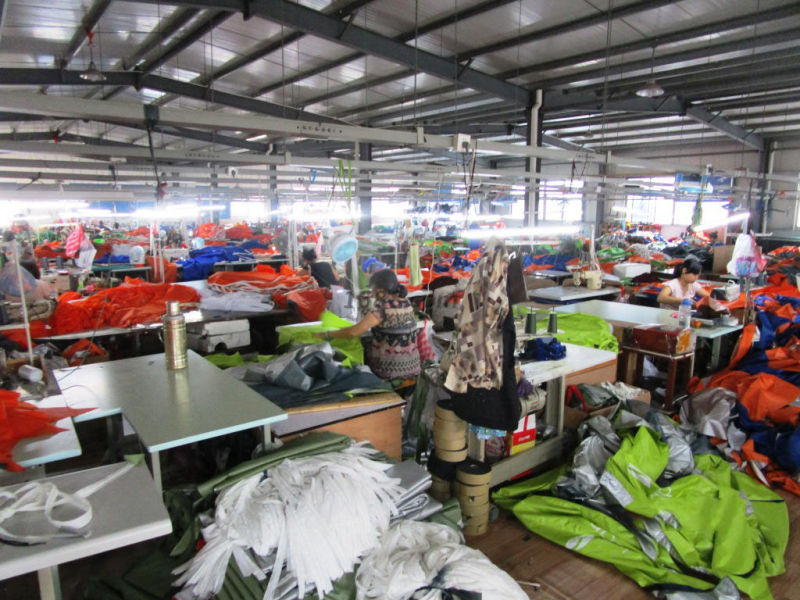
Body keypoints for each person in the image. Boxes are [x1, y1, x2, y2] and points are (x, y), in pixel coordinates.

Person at [313, 269, 420, 381]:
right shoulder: (406, 301)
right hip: (413, 366)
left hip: (391, 371)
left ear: (381, 290)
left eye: (373, 289)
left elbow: (352, 332)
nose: (372, 293)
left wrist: (325, 334)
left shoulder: (383, 308)